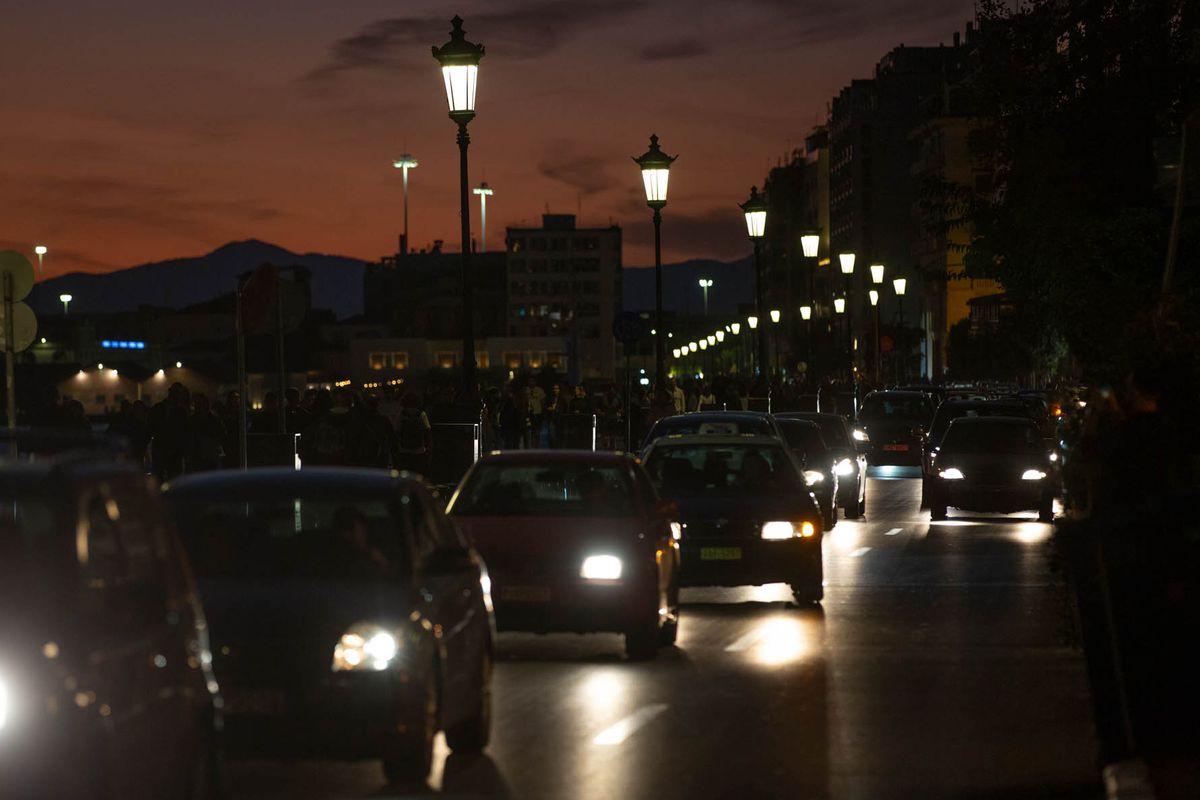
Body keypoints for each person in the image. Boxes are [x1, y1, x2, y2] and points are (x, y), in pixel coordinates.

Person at [394, 393, 432, 475]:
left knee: (405, 473)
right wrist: (427, 446)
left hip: (404, 449)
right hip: (419, 450)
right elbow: (427, 430)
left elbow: (397, 431)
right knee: (418, 472)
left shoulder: (402, 414)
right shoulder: (422, 414)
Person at [189, 393, 226, 472]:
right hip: (197, 458)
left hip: (211, 456)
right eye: (198, 403)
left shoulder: (214, 420)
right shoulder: (191, 421)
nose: (200, 406)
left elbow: (221, 435)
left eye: (202, 403)